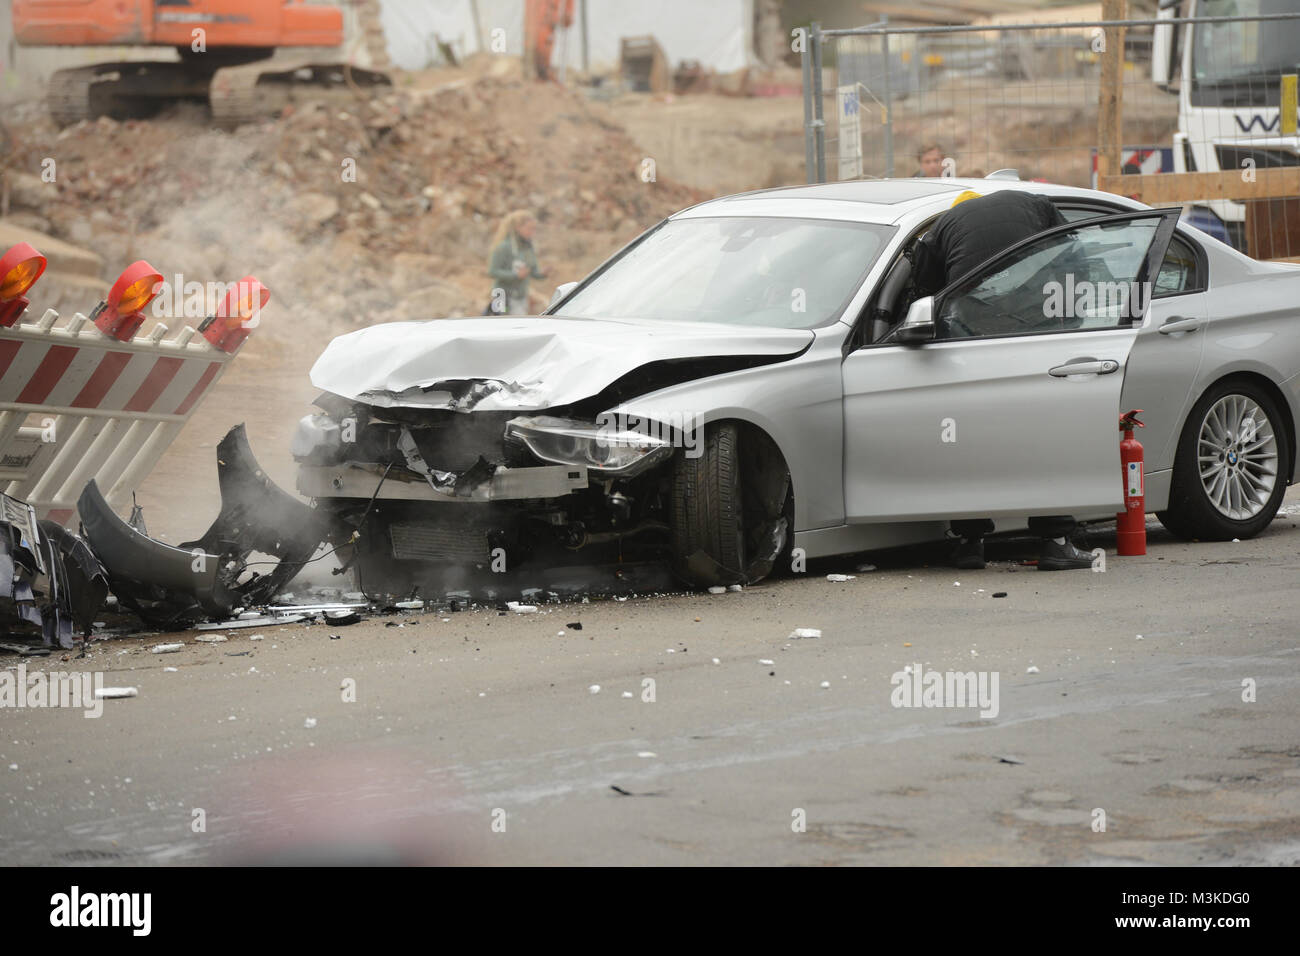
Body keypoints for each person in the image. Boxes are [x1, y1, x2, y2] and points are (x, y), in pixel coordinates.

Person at [911, 190, 1092, 571]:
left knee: (966, 439)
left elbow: (924, 289)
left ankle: (970, 542)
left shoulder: (943, 225)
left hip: (974, 336)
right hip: (1036, 333)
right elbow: (1072, 254)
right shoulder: (1033, 203)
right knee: (1043, 439)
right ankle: (1056, 542)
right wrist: (1073, 321)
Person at [486, 210, 547, 315]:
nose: (532, 232)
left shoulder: (528, 248)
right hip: (501, 296)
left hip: (520, 297)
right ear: (517, 227)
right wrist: (515, 275)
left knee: (517, 326)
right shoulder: (504, 247)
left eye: (533, 229)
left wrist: (542, 274)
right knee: (499, 324)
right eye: (529, 228)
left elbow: (533, 271)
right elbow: (492, 271)